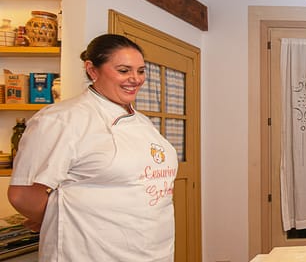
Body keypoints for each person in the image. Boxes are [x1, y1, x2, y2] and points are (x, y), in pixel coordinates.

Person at [7, 34, 178, 261]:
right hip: (93, 253)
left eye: (141, 71)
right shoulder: (62, 119)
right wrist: (57, 217)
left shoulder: (143, 122)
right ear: (92, 70)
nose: (135, 79)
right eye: (124, 70)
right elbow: (22, 194)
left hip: (154, 250)